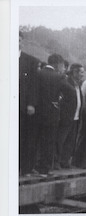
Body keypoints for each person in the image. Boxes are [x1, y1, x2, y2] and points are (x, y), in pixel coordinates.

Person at [36, 54, 66, 175]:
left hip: (36, 112)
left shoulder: (38, 73)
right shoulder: (59, 77)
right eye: (62, 65)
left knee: (34, 139)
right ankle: (44, 168)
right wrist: (58, 103)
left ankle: (29, 167)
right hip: (52, 114)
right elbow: (68, 93)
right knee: (48, 141)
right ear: (57, 63)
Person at [19, 31, 40, 176]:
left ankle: (21, 167)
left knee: (21, 136)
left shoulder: (30, 61)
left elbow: (34, 86)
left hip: (21, 106)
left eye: (18, 40)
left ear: (22, 41)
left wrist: (31, 104)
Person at [56, 63, 84, 169]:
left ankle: (65, 161)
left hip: (76, 117)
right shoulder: (67, 82)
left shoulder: (79, 84)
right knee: (61, 140)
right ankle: (57, 161)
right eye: (81, 72)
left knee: (70, 141)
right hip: (66, 116)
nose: (82, 75)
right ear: (75, 72)